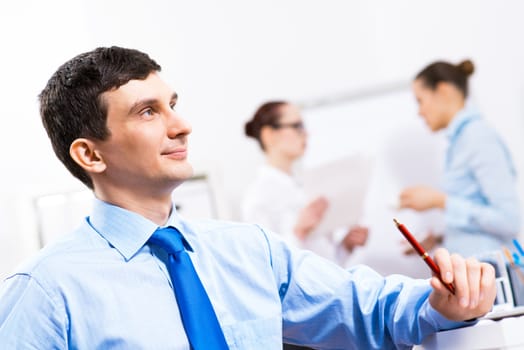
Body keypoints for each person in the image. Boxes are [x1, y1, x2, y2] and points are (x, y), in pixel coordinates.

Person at [0, 47, 496, 349]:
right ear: (90, 154)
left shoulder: (249, 251)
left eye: (172, 104)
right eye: (147, 112)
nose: (182, 124)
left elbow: (369, 310)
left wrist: (444, 302)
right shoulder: (45, 292)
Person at [399, 59, 521, 258]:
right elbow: (479, 214)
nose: (419, 112)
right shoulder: (460, 142)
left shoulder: (478, 137)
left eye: (420, 101)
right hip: (477, 274)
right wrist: (439, 239)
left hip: (492, 277)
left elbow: (509, 220)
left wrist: (440, 201)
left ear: (443, 91)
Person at [242, 101, 369, 265]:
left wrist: (345, 246)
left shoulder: (304, 185)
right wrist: (298, 232)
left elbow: (323, 260)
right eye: (297, 126)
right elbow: (265, 264)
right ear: (269, 135)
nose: (306, 134)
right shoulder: (258, 197)